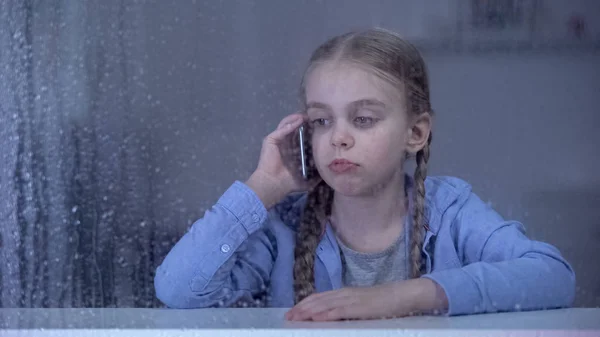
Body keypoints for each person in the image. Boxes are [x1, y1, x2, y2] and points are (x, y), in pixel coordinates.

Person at [154, 28, 576, 321]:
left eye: (364, 119)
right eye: (321, 121)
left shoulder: (449, 209)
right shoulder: (284, 224)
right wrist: (264, 187)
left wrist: (403, 296)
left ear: (415, 132)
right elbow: (179, 290)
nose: (338, 138)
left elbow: (552, 276)